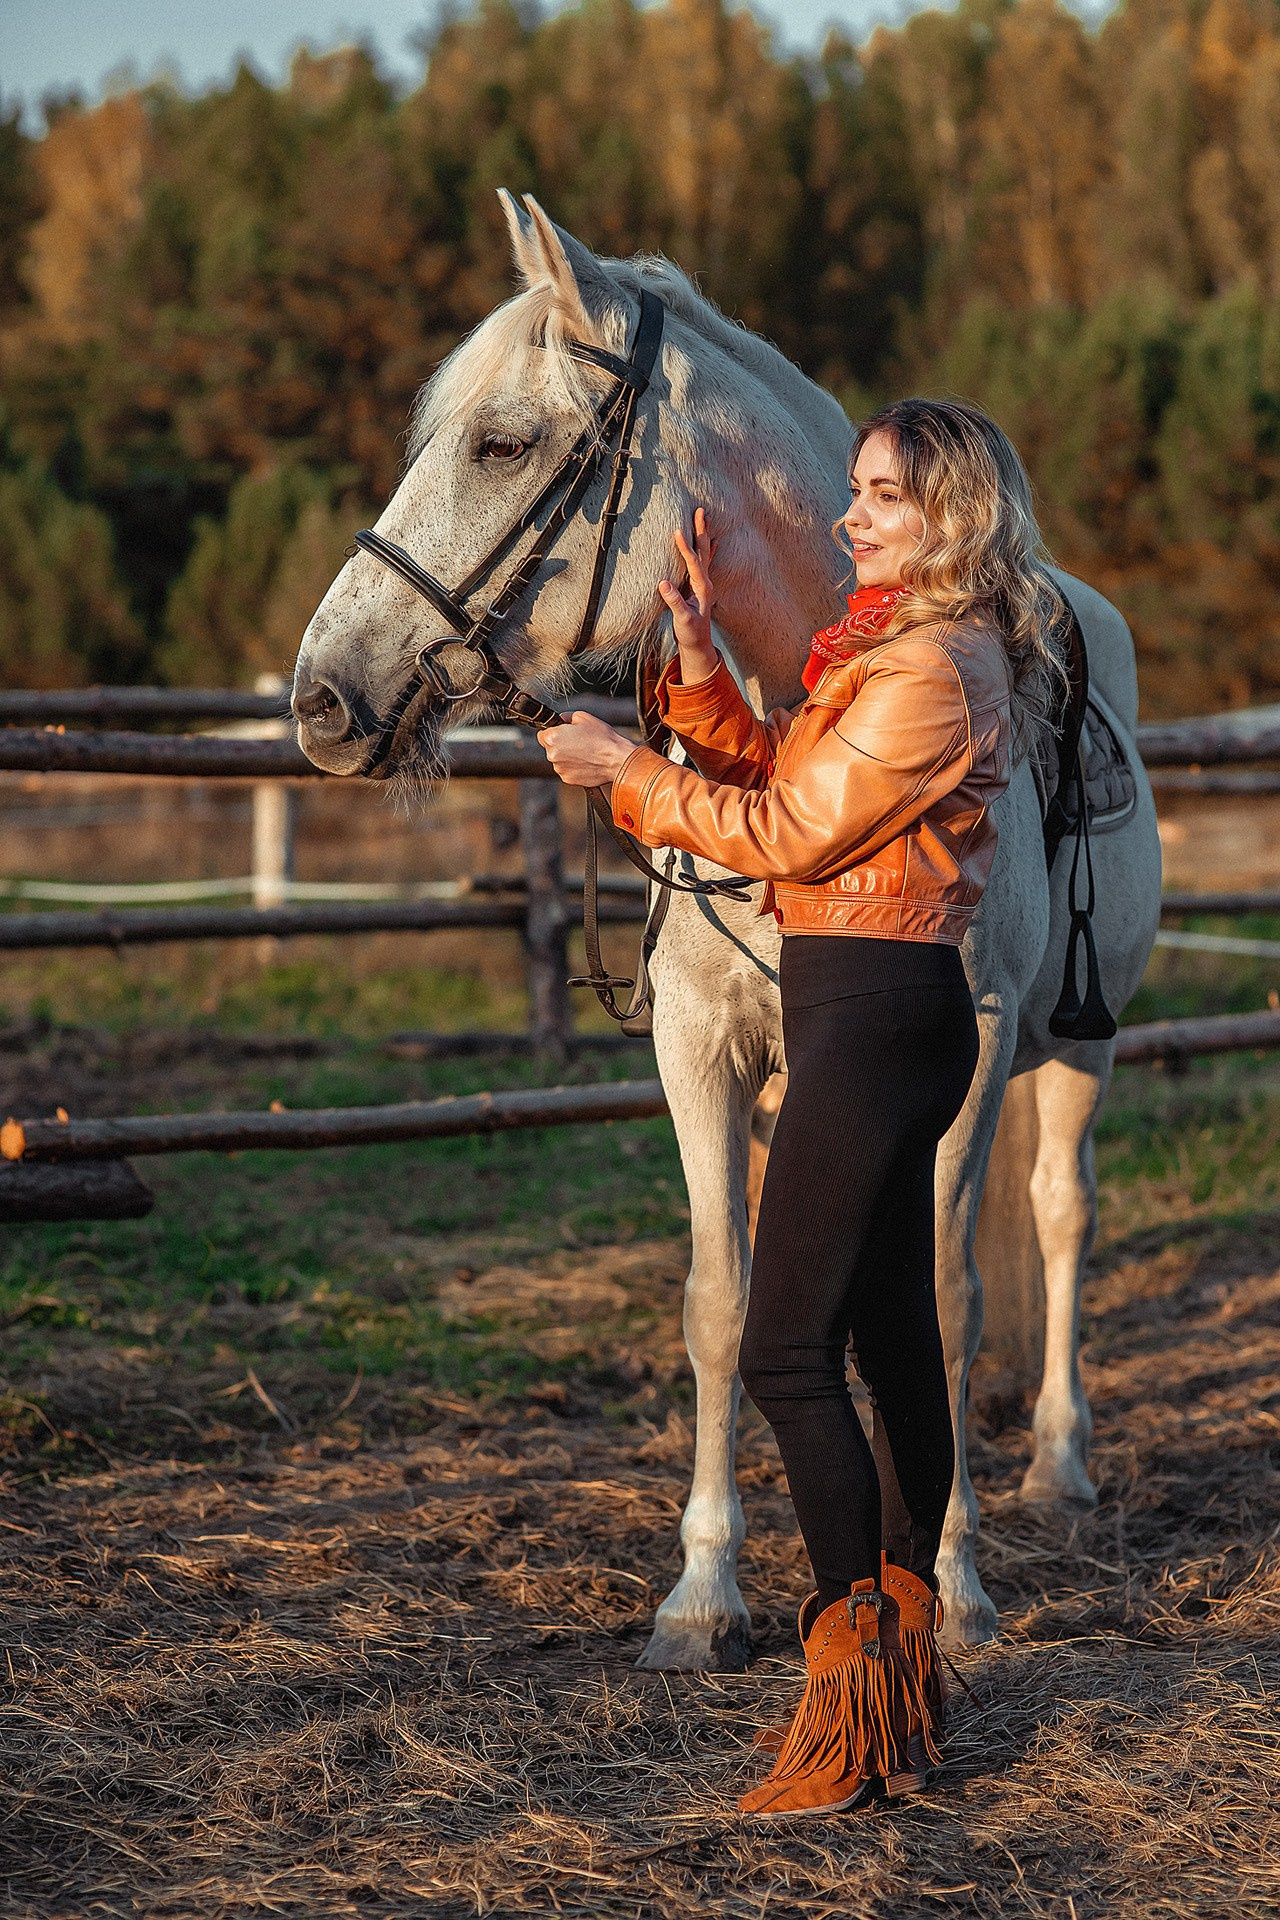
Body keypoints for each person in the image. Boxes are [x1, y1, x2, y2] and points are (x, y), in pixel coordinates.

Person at [538, 397, 1066, 1817]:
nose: (851, 515)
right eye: (856, 488)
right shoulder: (887, 654)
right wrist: (697, 664)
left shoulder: (936, 668)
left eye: (884, 495)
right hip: (868, 1011)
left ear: (954, 516)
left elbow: (780, 834)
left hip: (875, 1020)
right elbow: (787, 782)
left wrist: (628, 774)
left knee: (783, 1351)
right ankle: (897, 1692)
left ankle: (849, 1690)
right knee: (894, 1345)